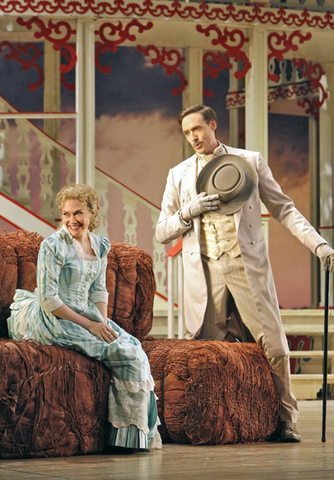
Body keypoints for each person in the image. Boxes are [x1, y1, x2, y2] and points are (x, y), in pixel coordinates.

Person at [156, 104, 334, 443]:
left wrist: (319, 246)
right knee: (205, 353)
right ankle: (211, 425)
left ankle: (286, 420)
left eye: (198, 129)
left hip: (244, 266)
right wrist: (188, 212)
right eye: (187, 133)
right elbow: (161, 231)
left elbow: (285, 208)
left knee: (277, 348)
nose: (193, 137)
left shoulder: (249, 161)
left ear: (212, 125)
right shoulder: (178, 174)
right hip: (205, 272)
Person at [7, 184, 161, 452]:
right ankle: (125, 440)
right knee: (122, 354)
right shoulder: (53, 246)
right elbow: (48, 300)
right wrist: (90, 325)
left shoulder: (100, 245)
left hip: (86, 313)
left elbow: (98, 290)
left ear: (93, 212)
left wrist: (101, 323)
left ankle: (135, 436)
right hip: (51, 317)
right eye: (65, 214)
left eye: (78, 213)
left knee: (134, 348)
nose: (71, 220)